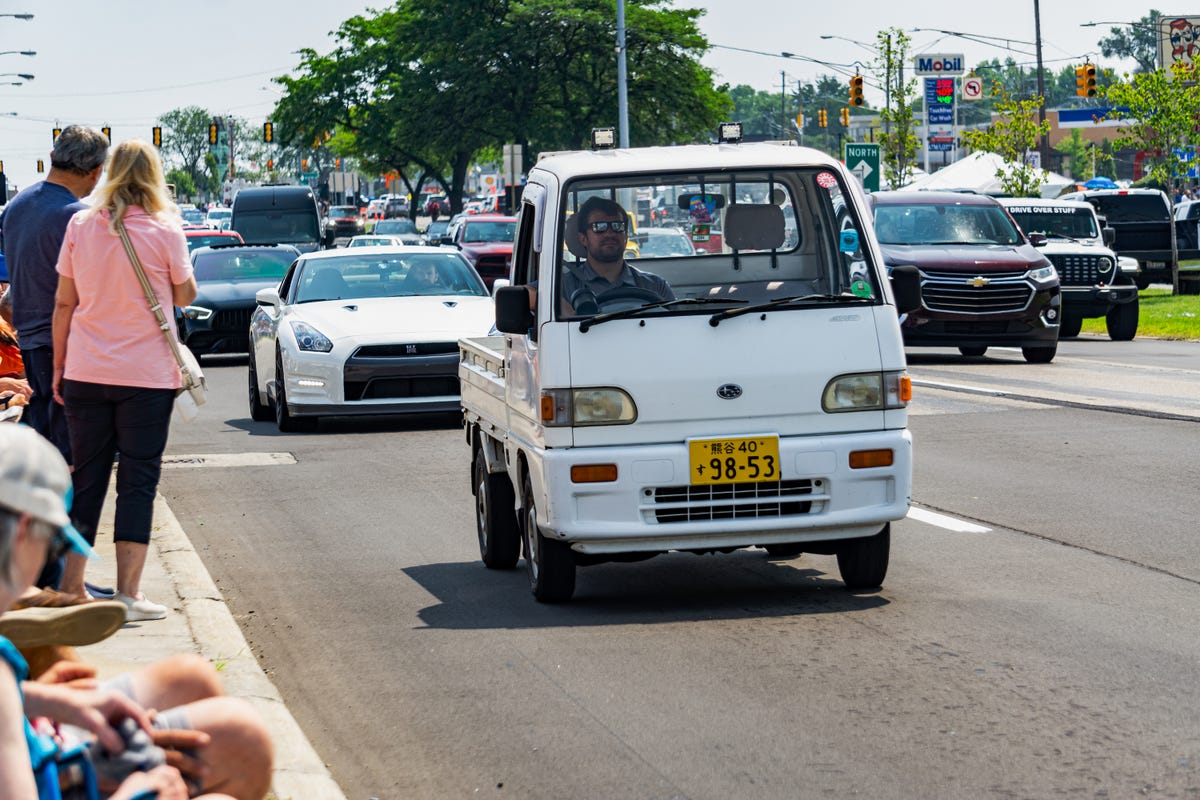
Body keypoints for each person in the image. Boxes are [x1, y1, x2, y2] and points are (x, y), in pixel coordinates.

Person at [0, 424, 273, 800]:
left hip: (39, 744)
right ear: (23, 532)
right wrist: (140, 793)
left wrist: (41, 700)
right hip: (45, 765)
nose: (49, 559)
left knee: (193, 683)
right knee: (233, 753)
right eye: (53, 545)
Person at [51, 139, 198, 622]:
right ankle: (128, 594)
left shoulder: (79, 225)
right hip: (147, 377)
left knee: (86, 478)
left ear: (109, 173)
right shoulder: (165, 229)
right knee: (137, 481)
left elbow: (64, 303)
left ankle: (72, 586)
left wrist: (59, 367)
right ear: (153, 176)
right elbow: (184, 295)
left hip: (86, 371)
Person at [0, 125, 109, 464]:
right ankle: (62, 513)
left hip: (31, 343)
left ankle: (44, 510)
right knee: (74, 449)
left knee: (50, 441)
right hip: (71, 344)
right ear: (95, 172)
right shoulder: (77, 218)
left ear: (52, 158)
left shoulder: (15, 208)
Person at [562, 196, 674, 309]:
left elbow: (676, 325)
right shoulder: (563, 289)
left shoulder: (656, 286)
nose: (609, 234)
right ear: (583, 239)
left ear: (626, 235)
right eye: (599, 227)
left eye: (617, 226)